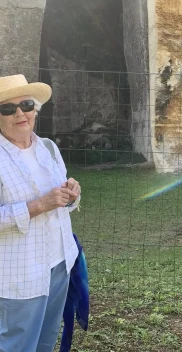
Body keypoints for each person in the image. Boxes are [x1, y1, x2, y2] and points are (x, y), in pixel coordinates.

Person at [0, 74, 81, 352]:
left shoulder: (47, 147)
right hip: (19, 272)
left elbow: (61, 199)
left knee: (46, 341)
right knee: (17, 344)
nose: (20, 113)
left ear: (36, 108)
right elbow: (43, 204)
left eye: (26, 104)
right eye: (8, 108)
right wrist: (38, 206)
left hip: (59, 262)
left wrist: (71, 194)